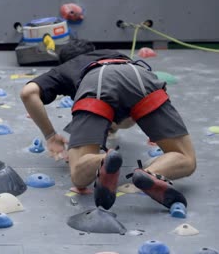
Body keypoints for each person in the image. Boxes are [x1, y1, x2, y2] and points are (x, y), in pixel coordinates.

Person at [20, 39, 196, 210]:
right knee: (185, 158)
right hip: (138, 75)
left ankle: (103, 160)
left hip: (95, 82)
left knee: (79, 174)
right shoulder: (114, 54)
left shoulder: (65, 68)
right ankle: (149, 173)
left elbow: (28, 93)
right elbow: (129, 118)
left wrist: (51, 136)